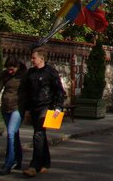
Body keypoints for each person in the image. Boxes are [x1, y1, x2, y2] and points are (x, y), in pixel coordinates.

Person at [21, 47, 66, 177]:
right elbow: (27, 92)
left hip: (45, 107)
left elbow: (59, 91)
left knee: (38, 134)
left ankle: (34, 165)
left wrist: (58, 107)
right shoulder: (31, 73)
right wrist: (26, 109)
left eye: (34, 57)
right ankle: (45, 162)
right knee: (40, 135)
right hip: (34, 107)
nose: (32, 60)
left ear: (41, 58)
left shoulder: (51, 72)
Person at [0, 56, 27, 175]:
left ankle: (8, 163)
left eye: (12, 69)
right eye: (8, 69)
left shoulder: (24, 75)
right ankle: (18, 160)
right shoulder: (4, 75)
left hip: (18, 108)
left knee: (11, 133)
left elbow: (31, 90)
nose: (10, 71)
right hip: (6, 107)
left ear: (17, 67)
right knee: (14, 134)